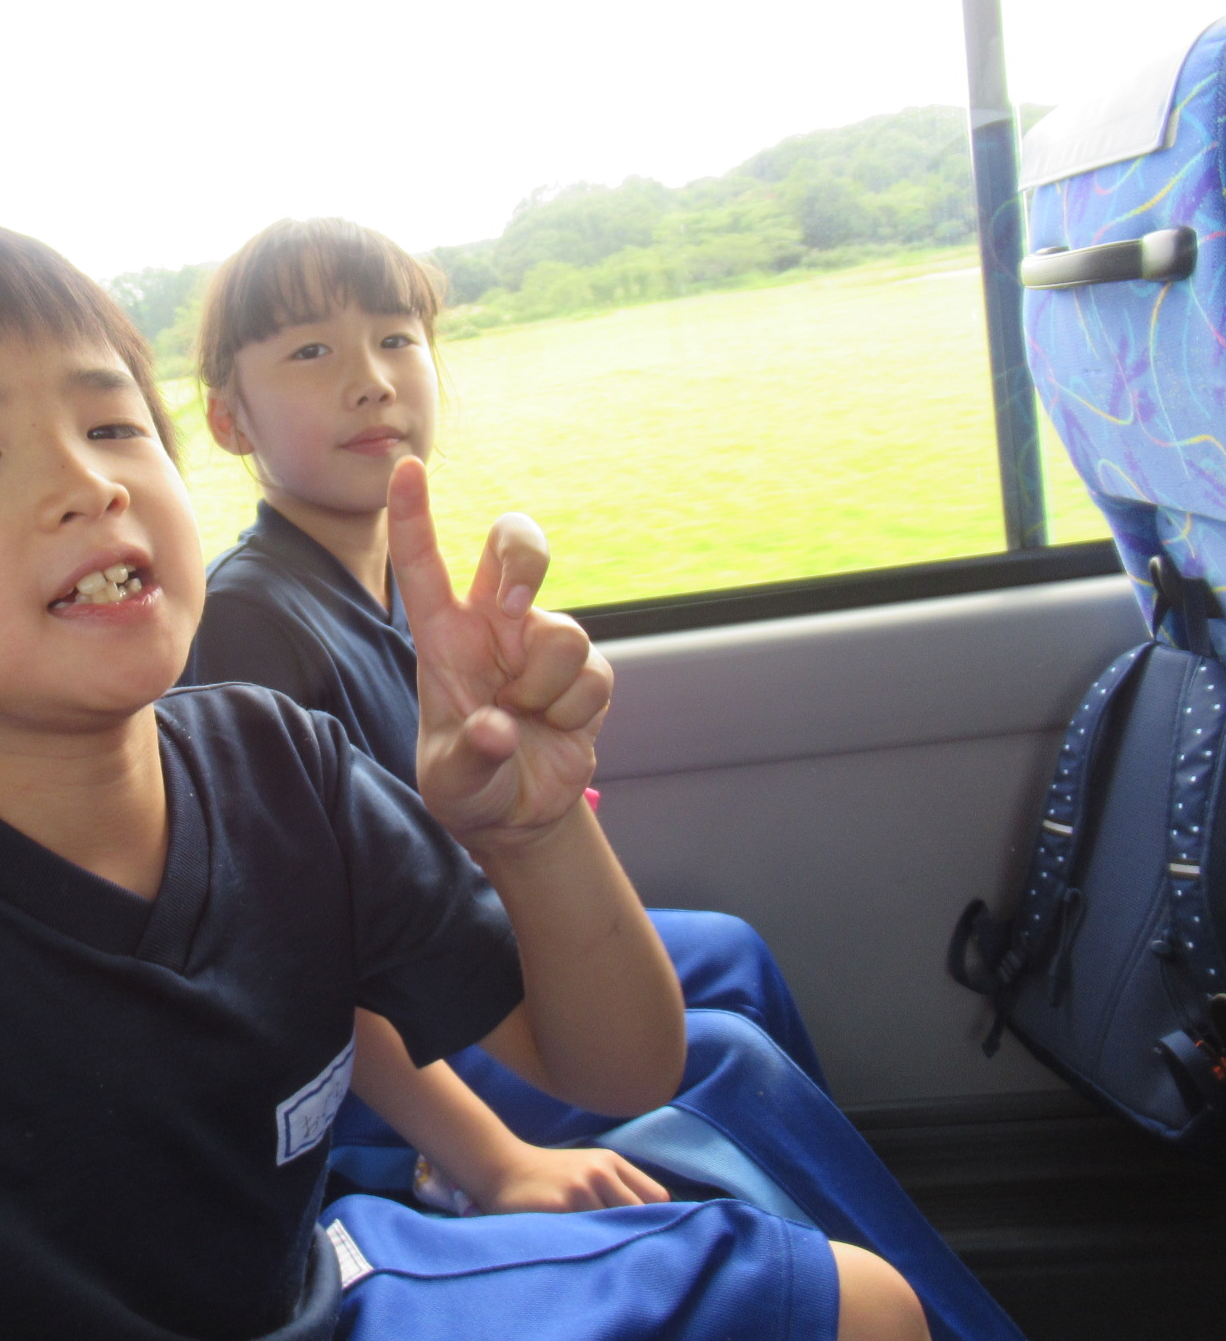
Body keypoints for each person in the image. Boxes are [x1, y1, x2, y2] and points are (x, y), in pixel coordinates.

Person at [0, 216, 925, 1341]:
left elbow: (616, 1066)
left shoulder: (284, 765)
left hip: (314, 1294)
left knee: (863, 1306)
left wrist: (537, 829)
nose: (87, 482)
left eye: (113, 425)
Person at [184, 219, 823, 1173]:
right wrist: (493, 1161)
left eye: (396, 337)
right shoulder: (248, 624)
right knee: (726, 1060)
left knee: (732, 955)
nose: (373, 379)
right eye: (311, 350)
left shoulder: (404, 591)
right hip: (390, 1065)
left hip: (459, 956)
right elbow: (301, 960)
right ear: (230, 421)